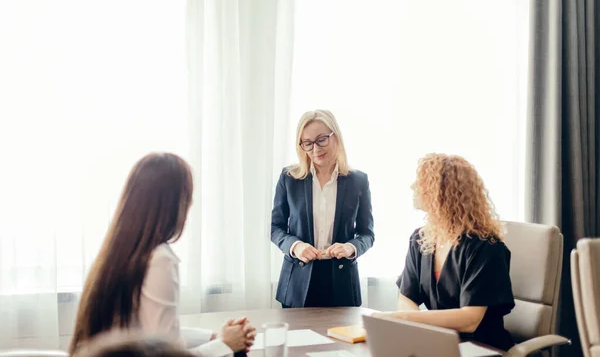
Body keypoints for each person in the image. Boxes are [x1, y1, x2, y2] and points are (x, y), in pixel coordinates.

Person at [70, 153, 256, 357]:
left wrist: (214, 337)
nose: (191, 204)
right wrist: (225, 345)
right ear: (173, 203)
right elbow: (165, 353)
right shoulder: (160, 260)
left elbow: (153, 333)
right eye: (188, 196)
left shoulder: (118, 251)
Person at [373, 153, 515, 351]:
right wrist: (411, 327)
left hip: (480, 347)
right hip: (438, 344)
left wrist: (401, 318)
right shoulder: (420, 239)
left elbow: (470, 320)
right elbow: (407, 297)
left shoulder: (486, 247)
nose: (412, 186)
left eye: (422, 181)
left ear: (444, 192)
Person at [271, 110, 375, 308]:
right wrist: (295, 246)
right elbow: (275, 227)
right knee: (297, 339)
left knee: (341, 339)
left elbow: (367, 233)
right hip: (297, 283)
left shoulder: (358, 181)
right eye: (307, 143)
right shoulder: (289, 178)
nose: (315, 149)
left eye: (321, 140)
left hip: (342, 282)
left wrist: (350, 248)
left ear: (335, 137)